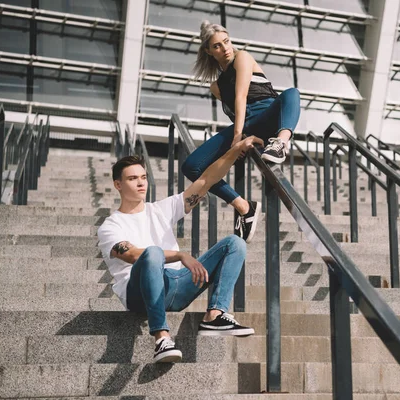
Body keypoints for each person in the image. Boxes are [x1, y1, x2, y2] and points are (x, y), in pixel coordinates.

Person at [97, 135, 262, 364]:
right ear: (118, 184)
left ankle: (214, 315)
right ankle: (162, 337)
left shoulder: (160, 210)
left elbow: (206, 180)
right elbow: (135, 255)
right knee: (152, 252)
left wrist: (236, 150)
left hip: (178, 285)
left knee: (234, 243)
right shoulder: (110, 226)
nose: (141, 183)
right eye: (133, 179)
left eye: (143, 177)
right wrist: (180, 255)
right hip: (139, 294)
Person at [181, 20, 301, 244]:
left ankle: (281, 143)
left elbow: (241, 96)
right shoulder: (215, 87)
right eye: (217, 46)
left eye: (226, 41)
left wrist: (237, 138)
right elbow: (236, 111)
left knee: (292, 93)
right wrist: (241, 138)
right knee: (192, 166)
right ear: (208, 51)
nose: (225, 48)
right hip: (246, 127)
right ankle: (243, 206)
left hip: (270, 116)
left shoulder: (242, 57)